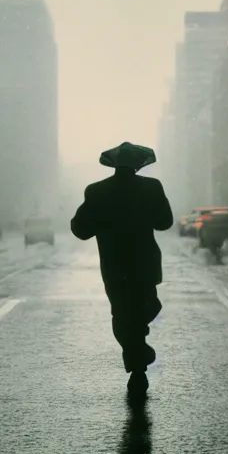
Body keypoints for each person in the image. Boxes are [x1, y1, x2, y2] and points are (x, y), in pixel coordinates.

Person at [71, 142, 174, 395]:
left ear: (114, 164)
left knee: (122, 315)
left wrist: (102, 219)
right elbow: (165, 222)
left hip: (115, 267)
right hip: (144, 265)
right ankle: (139, 362)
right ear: (138, 164)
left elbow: (80, 229)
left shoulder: (97, 191)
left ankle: (138, 360)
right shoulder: (151, 188)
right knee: (145, 308)